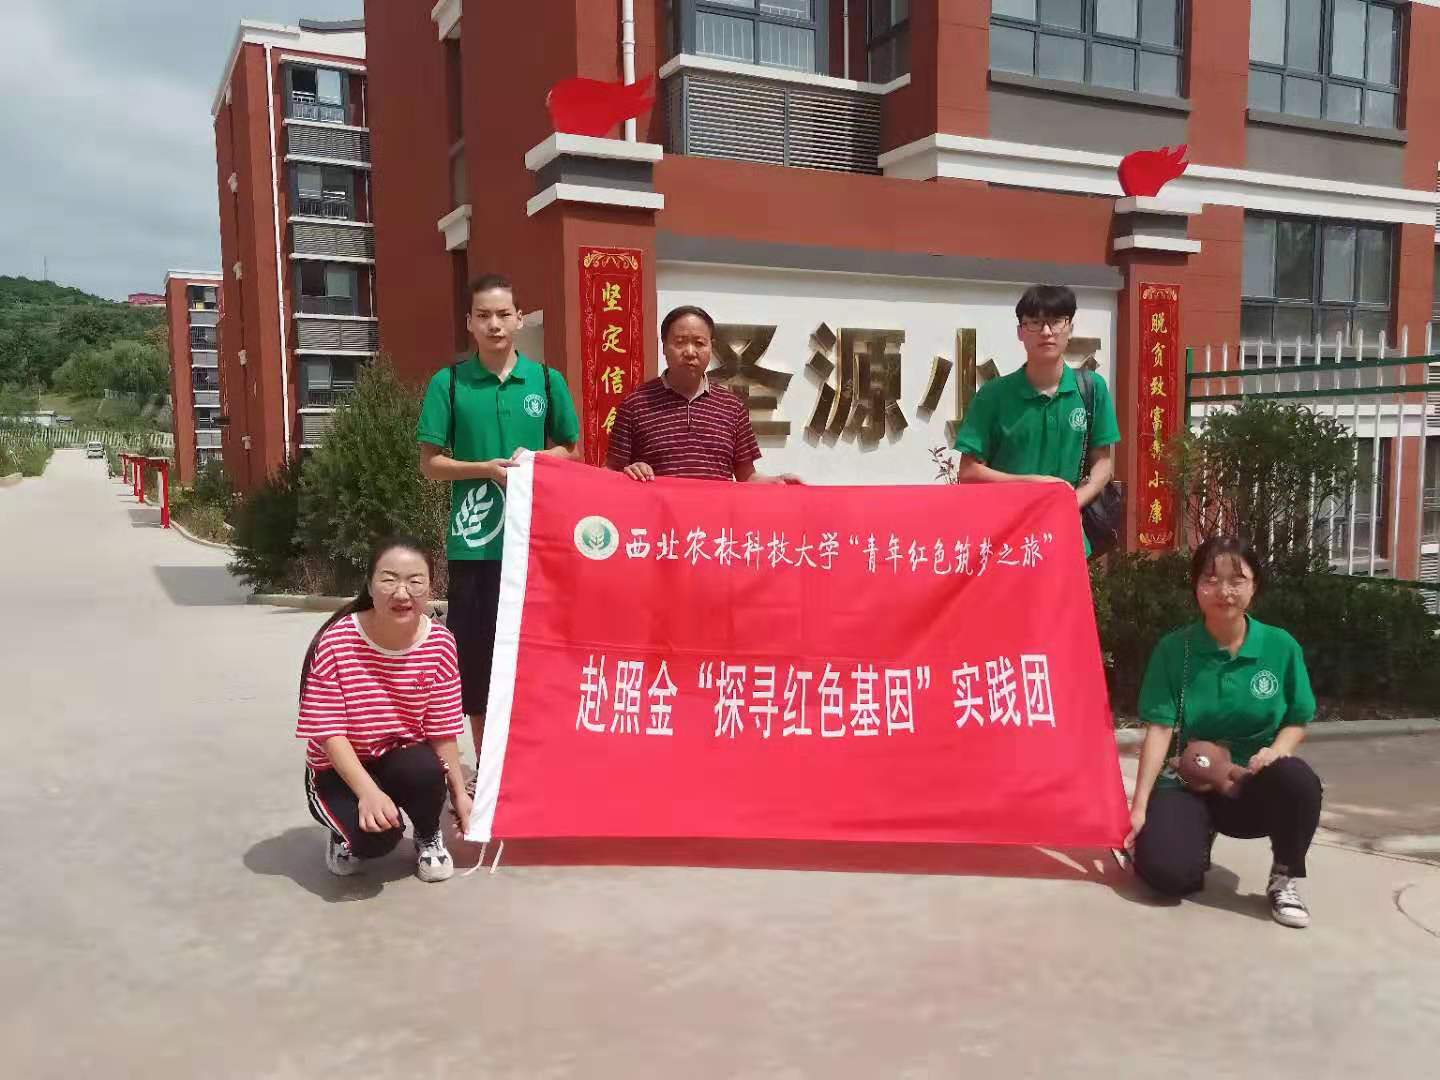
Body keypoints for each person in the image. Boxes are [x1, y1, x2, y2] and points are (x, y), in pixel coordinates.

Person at [416, 273, 580, 770]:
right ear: (469, 322)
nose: (494, 324)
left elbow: (571, 449)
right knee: (479, 655)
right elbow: (431, 464)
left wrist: (534, 462)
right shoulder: (449, 383)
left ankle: (534, 760)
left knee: (539, 651)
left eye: (503, 314)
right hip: (475, 543)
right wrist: (485, 469)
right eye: (484, 315)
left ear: (519, 319)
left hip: (538, 541)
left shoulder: (546, 381)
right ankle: (489, 766)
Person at [1125, 537, 1323, 928]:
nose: (1223, 591)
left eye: (1237, 580)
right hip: (1189, 779)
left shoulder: (1280, 647)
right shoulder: (1174, 649)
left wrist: (1275, 751)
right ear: (1195, 586)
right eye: (1211, 579)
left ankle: (1284, 876)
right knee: (1166, 877)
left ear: (1254, 585)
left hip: (1250, 785)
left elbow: (1297, 719)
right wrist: (1140, 808)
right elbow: (1160, 729)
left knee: (1297, 780)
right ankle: (1193, 840)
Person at [297, 536, 470, 882]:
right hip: (338, 767)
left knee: (425, 769)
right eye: (389, 580)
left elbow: (441, 728)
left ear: (430, 587)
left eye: (415, 581)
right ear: (370, 584)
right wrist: (368, 792)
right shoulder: (336, 641)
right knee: (375, 839)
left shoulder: (440, 643)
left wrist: (459, 794)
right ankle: (344, 836)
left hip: (397, 756)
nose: (402, 593)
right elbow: (329, 732)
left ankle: (427, 835)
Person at [951, 284, 1118, 556]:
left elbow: (1103, 463)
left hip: (1068, 541)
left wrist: (1071, 502)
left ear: (1070, 328)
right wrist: (1033, 484)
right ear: (1020, 331)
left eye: (1056, 321)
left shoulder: (1092, 389)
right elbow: (969, 472)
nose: (1047, 331)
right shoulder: (993, 395)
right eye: (1035, 322)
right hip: (1006, 543)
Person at [607, 305, 801, 484]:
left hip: (718, 512)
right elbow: (611, 474)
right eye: (680, 342)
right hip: (658, 511)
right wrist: (630, 471)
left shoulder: (732, 407)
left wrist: (777, 482)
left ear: (711, 347)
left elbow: (747, 476)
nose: (690, 352)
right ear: (664, 347)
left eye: (699, 343)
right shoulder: (635, 404)